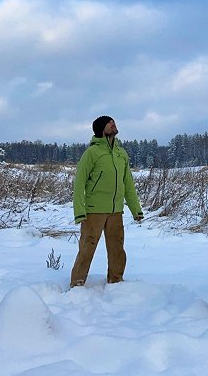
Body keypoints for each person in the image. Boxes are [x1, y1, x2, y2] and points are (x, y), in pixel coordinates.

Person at [70, 115, 143, 288]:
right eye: (109, 123)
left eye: (114, 122)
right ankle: (77, 283)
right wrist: (79, 211)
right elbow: (79, 183)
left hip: (116, 210)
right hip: (94, 210)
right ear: (101, 128)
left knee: (117, 249)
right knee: (87, 249)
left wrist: (136, 209)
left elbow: (128, 184)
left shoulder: (121, 153)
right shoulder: (92, 153)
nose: (113, 124)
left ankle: (116, 281)